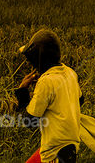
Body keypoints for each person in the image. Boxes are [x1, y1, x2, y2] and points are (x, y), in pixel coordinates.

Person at [14, 29, 81, 163]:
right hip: (70, 145)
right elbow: (80, 100)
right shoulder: (70, 73)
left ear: (39, 59)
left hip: (55, 153)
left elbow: (29, 122)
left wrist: (22, 91)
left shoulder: (46, 81)